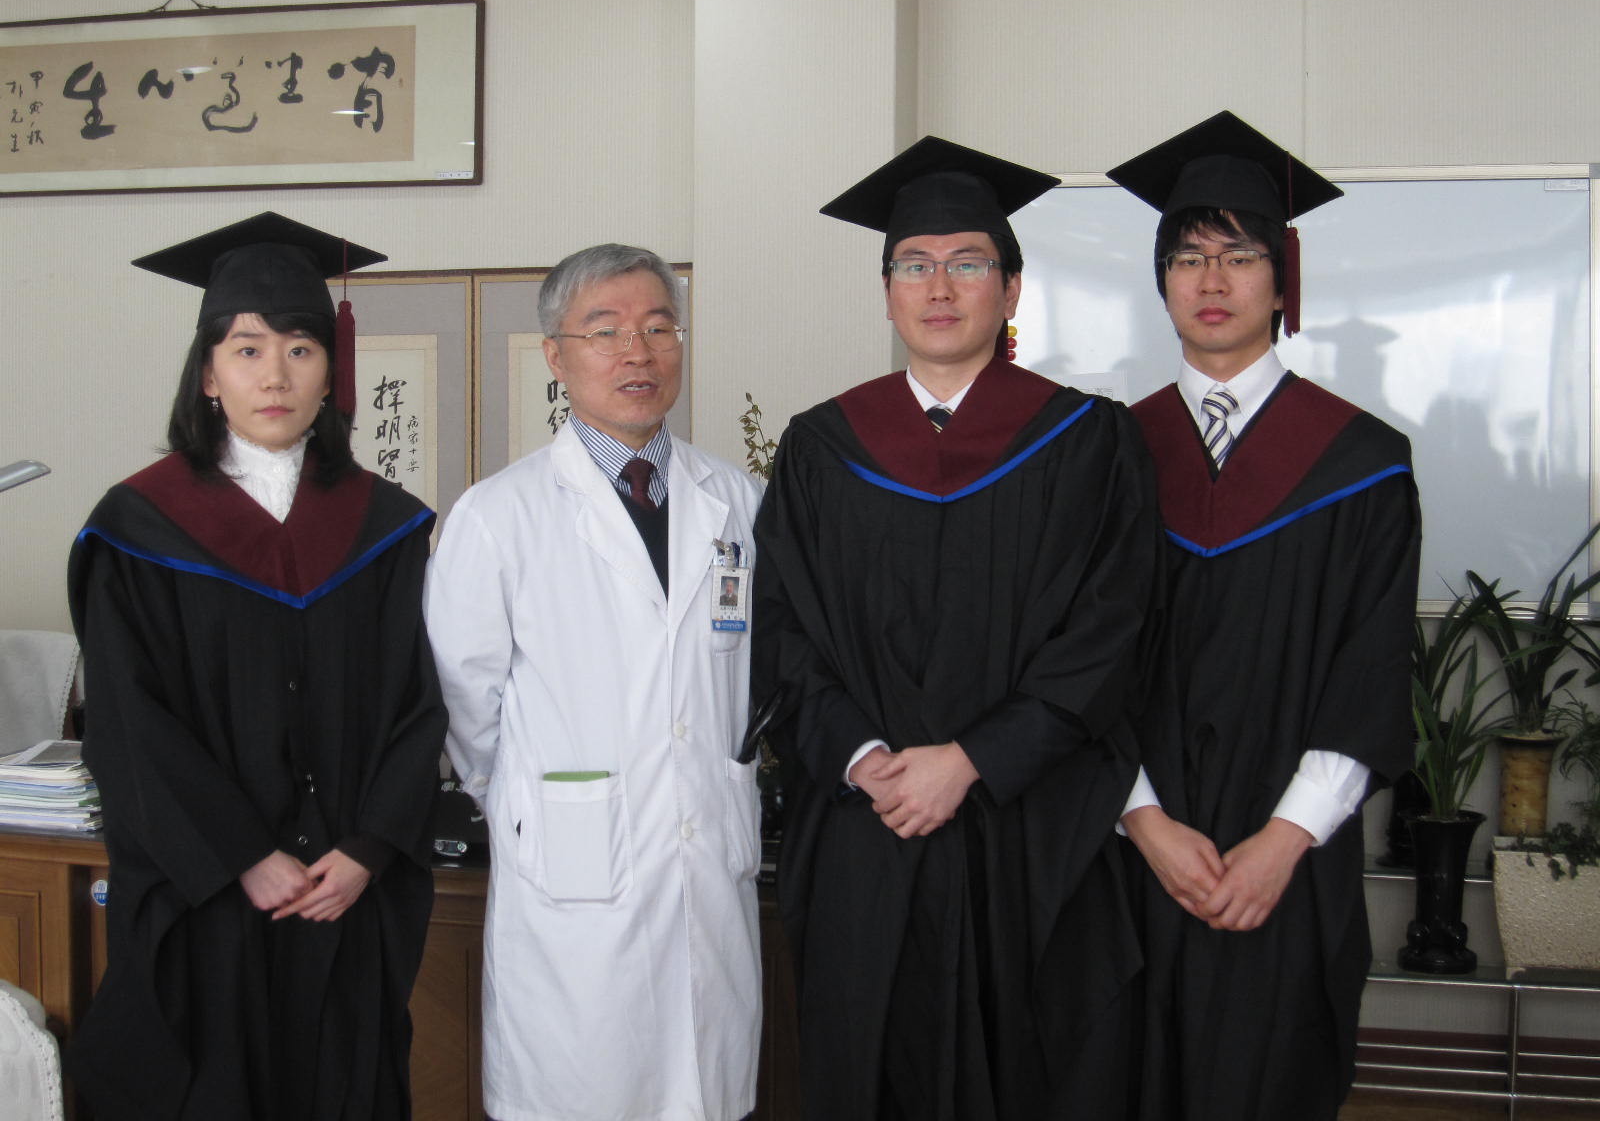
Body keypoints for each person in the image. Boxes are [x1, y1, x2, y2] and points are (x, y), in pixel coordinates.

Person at [752, 137, 1163, 1120]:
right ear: (887, 293)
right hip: (868, 830)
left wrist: (974, 758)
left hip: (1030, 830)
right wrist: (863, 758)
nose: (939, 288)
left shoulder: (1089, 442)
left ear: (1011, 290)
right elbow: (780, 626)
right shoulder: (822, 448)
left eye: (968, 264)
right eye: (914, 266)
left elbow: (1111, 632)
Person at [67, 212, 449, 1120]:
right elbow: (128, 720)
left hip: (344, 892)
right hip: (205, 892)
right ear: (208, 374)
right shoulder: (138, 528)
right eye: (247, 350)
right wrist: (240, 854)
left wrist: (368, 848)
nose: (275, 375)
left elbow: (422, 700)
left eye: (301, 349)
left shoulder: (386, 527)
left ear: (332, 372)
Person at [1106, 112, 1423, 1121]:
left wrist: (1286, 839)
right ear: (1161, 281)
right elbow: (1076, 665)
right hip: (1134, 861)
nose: (1211, 279)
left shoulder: (1361, 463)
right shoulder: (1106, 459)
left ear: (1282, 281)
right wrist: (1144, 821)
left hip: (1291, 867)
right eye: (1187, 257)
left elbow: (1370, 670)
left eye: (1239, 255)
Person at [424, 244, 764, 1121]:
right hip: (573, 872)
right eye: (605, 331)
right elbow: (467, 709)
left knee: (706, 1089)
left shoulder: (739, 501)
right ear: (556, 354)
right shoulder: (499, 515)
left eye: (659, 328)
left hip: (708, 857)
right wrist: (542, 805)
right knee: (583, 1087)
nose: (637, 353)